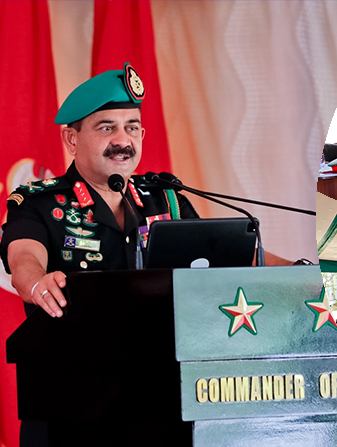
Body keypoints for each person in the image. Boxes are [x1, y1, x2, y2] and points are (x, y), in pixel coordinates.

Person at [0, 64, 199, 321]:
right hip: (78, 353)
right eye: (107, 128)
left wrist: (268, 270)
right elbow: (24, 259)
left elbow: (228, 256)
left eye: (132, 127)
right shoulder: (36, 203)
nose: (122, 141)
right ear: (72, 140)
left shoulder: (168, 201)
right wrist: (38, 283)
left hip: (164, 353)